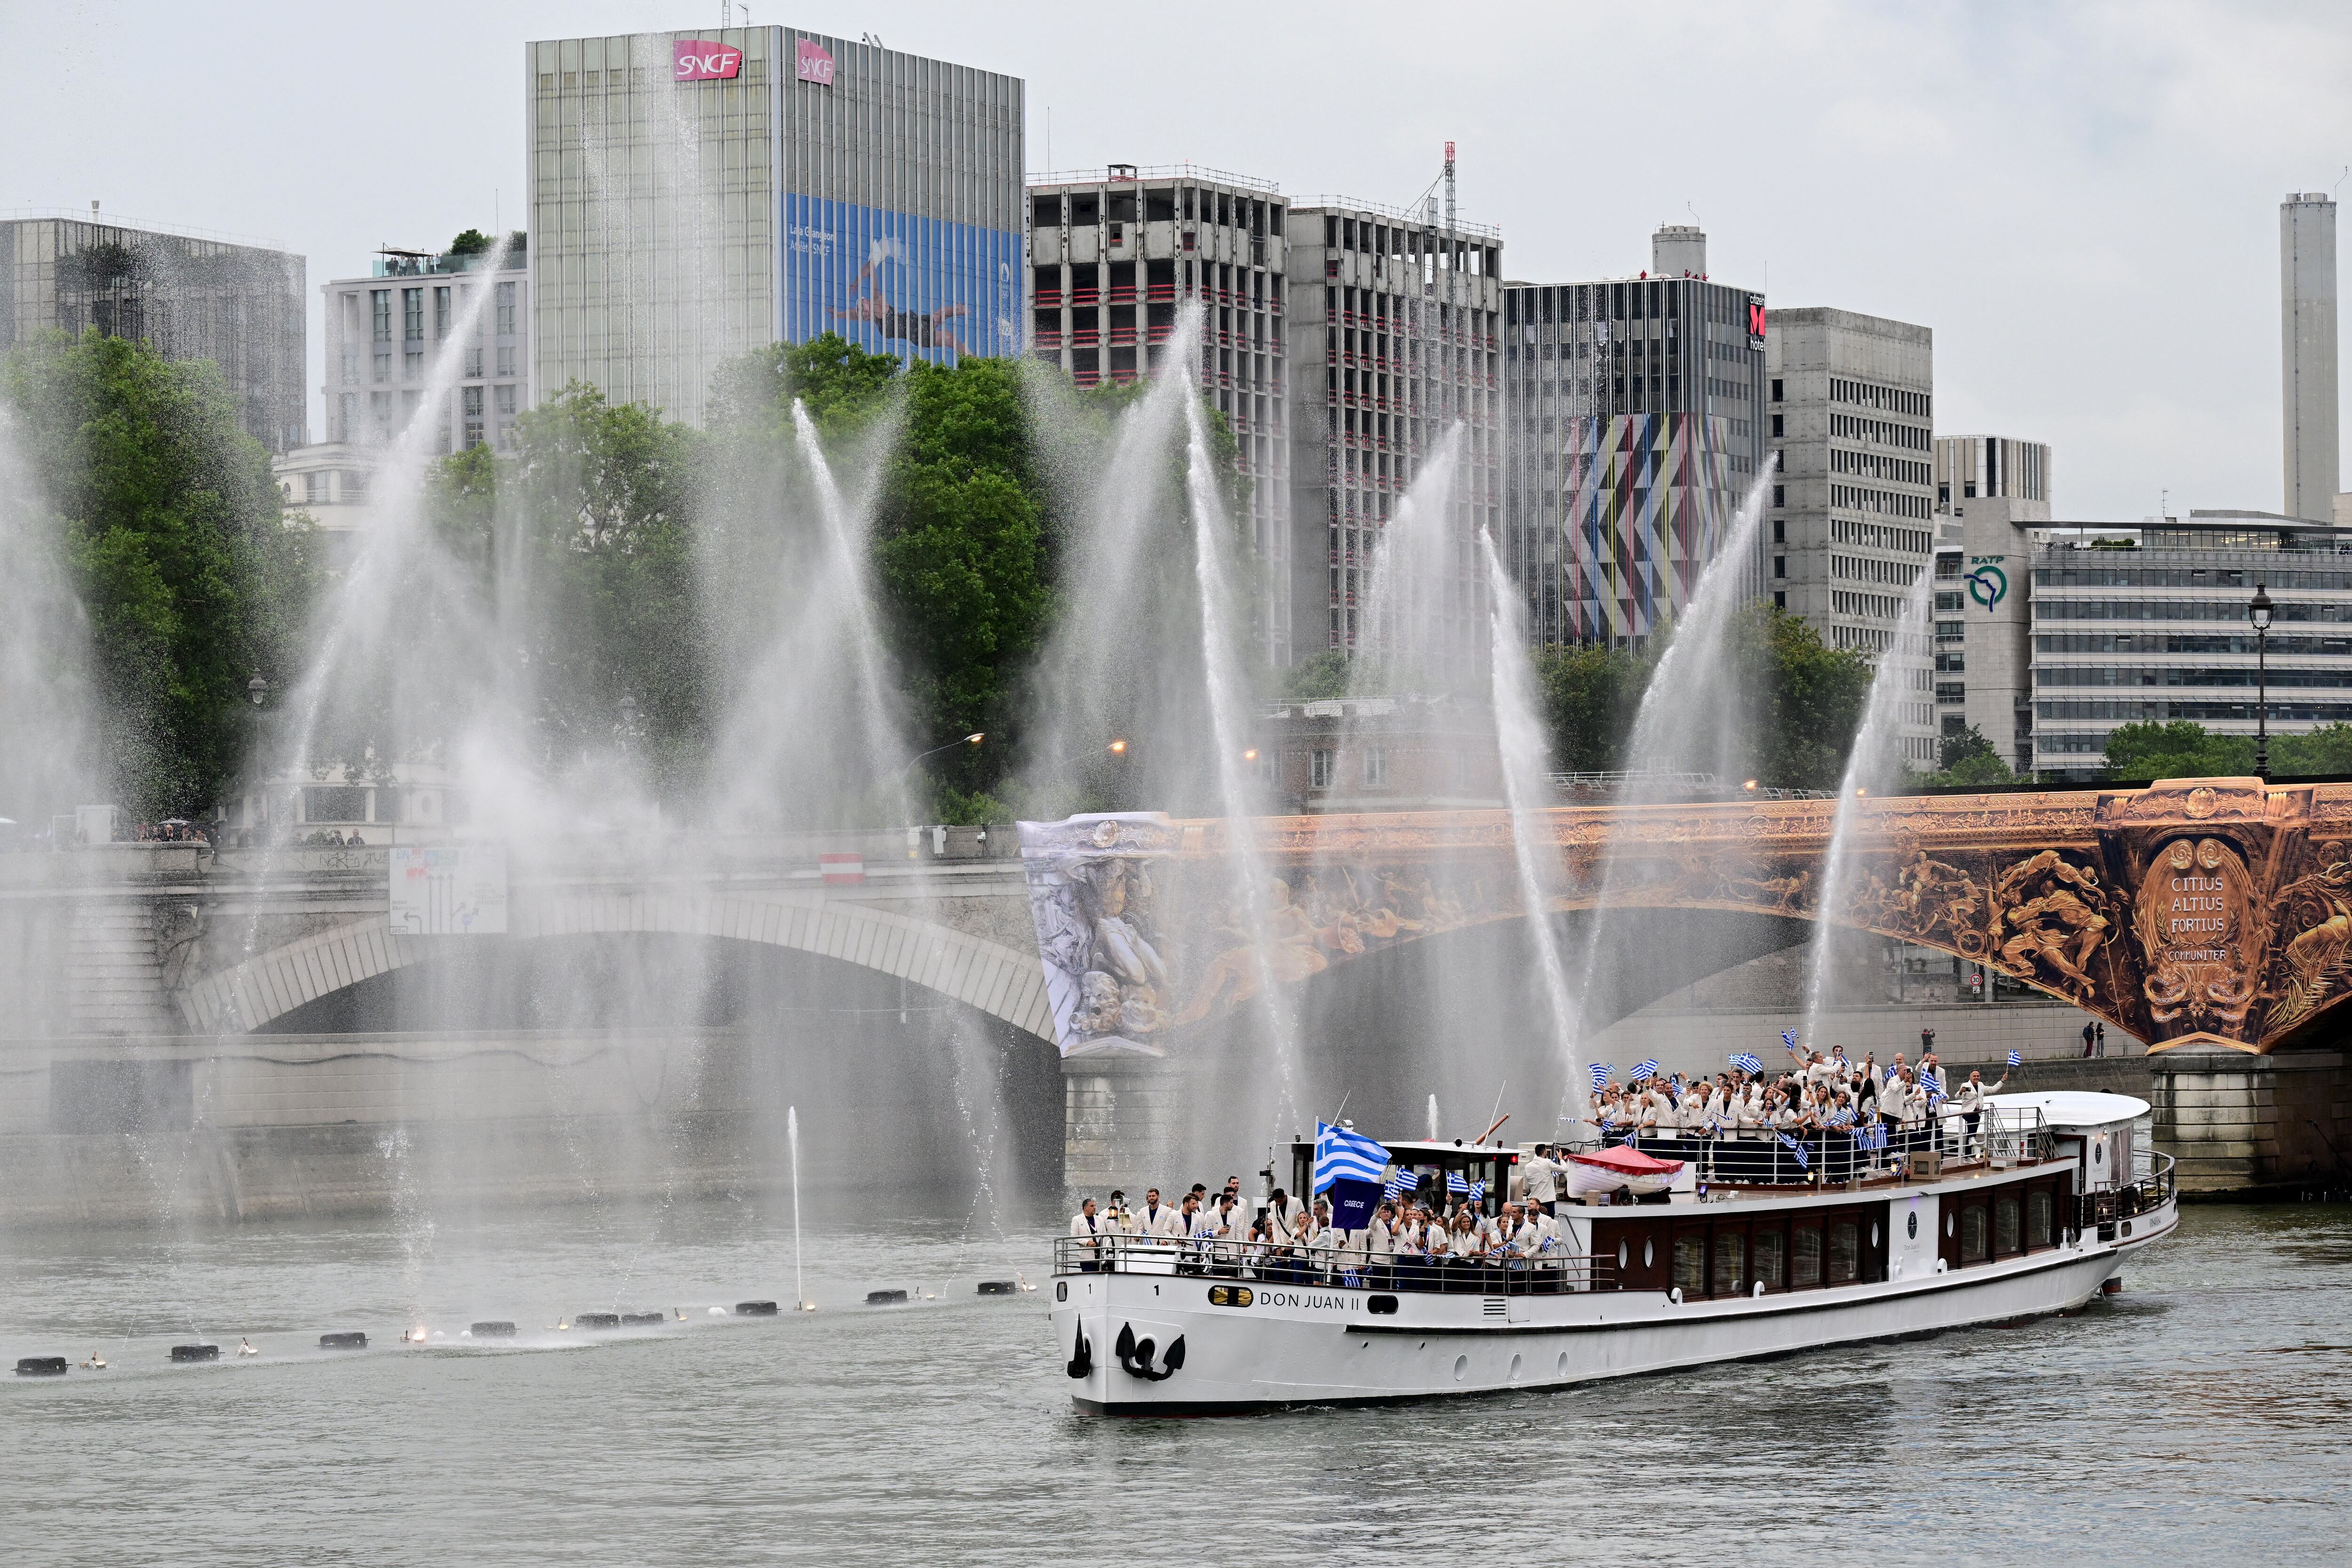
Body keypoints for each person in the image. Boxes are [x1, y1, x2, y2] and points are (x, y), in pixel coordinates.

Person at [1069, 1197, 1109, 1271]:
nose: (1094, 1208)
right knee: (1089, 1278)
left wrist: (1108, 1251)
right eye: (1092, 1206)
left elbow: (1105, 1236)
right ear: (1085, 1208)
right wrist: (1087, 1242)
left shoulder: (1100, 1219)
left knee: (1102, 1277)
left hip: (1102, 1256)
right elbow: (1074, 1237)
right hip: (1087, 1257)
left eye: (1095, 1206)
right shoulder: (1077, 1219)